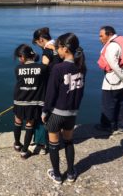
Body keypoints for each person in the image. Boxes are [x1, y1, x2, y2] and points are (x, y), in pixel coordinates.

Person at [42, 33, 86, 184]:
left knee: (54, 145)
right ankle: (71, 172)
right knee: (68, 142)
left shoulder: (58, 68)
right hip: (72, 113)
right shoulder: (81, 67)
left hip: (57, 113)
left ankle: (57, 175)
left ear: (65, 49)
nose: (57, 51)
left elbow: (51, 93)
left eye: (58, 48)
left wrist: (45, 111)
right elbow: (80, 93)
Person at [95, 26, 123, 133]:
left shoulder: (112, 46)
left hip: (113, 80)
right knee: (120, 102)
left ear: (110, 34)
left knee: (108, 104)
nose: (100, 38)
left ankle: (107, 126)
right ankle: (121, 126)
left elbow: (113, 64)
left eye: (101, 35)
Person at [13, 44, 48, 159]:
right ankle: (24, 151)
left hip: (19, 100)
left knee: (18, 121)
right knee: (29, 124)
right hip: (34, 102)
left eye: (19, 57)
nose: (19, 59)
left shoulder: (18, 69)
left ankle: (17, 144)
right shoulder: (42, 68)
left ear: (23, 56)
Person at [31, 27, 62, 154]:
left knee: (43, 114)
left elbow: (43, 72)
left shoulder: (46, 52)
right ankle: (55, 140)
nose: (38, 46)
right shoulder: (60, 46)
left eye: (38, 43)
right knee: (55, 113)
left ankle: (42, 144)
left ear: (41, 39)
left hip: (49, 87)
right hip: (61, 85)